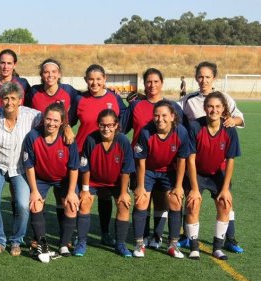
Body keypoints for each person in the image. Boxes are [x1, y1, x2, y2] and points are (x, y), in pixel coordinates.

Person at [178, 61, 245, 253]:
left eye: (208, 77)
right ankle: (188, 238)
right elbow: (172, 114)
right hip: (196, 155)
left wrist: (233, 120)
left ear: (214, 78)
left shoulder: (225, 98)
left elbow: (239, 118)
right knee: (192, 200)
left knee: (225, 200)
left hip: (218, 160)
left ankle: (228, 239)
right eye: (200, 76)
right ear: (196, 77)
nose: (204, 80)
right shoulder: (188, 100)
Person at [121, 68, 183, 249]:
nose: (152, 85)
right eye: (149, 81)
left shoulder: (172, 107)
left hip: (166, 163)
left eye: (156, 81)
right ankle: (143, 236)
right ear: (144, 84)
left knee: (162, 200)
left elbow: (182, 132)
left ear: (162, 83)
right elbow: (121, 129)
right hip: (140, 162)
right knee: (142, 198)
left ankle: (157, 236)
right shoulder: (136, 105)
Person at [69, 64, 126, 247]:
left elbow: (125, 120)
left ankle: (105, 233)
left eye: (98, 79)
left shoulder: (114, 98)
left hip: (108, 156)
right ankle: (80, 235)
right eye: (91, 79)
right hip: (83, 155)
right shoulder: (80, 100)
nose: (94, 83)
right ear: (86, 80)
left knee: (104, 195)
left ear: (105, 79)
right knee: (83, 196)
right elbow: (68, 122)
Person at [0, 82, 41, 256]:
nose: (9, 102)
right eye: (6, 98)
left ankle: (16, 240)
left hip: (20, 167)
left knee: (23, 205)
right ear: (1, 100)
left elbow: (54, 118)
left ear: (20, 100)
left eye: (13, 98)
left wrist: (67, 127)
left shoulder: (33, 116)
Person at [24, 58, 78, 244]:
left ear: (59, 74)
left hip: (60, 142)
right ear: (41, 75)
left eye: (54, 72)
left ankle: (66, 238)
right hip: (40, 143)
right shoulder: (33, 92)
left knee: (65, 199)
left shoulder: (69, 91)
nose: (50, 75)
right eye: (46, 72)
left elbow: (75, 113)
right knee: (36, 199)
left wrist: (67, 126)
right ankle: (37, 237)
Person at [185, 92, 241, 260]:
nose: (214, 110)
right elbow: (190, 159)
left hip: (218, 174)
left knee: (225, 204)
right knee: (193, 204)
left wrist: (225, 189)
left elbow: (230, 160)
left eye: (218, 106)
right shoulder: (195, 126)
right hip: (197, 173)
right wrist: (194, 188)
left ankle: (217, 247)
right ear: (204, 108)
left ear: (223, 109)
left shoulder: (229, 130)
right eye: (210, 106)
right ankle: (194, 247)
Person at [132, 100, 190, 259]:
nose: (160, 119)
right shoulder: (146, 132)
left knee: (176, 200)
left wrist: (178, 186)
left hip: (169, 171)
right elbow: (141, 162)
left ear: (172, 116)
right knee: (141, 200)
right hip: (148, 170)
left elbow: (182, 161)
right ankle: (139, 243)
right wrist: (141, 186)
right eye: (156, 115)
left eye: (164, 115)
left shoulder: (181, 132)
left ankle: (172, 244)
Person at [23, 103, 79, 260]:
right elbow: (29, 165)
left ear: (62, 122)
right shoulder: (32, 136)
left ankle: (63, 244)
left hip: (64, 179)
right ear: (43, 119)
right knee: (35, 204)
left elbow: (74, 167)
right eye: (48, 119)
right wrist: (34, 191)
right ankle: (42, 242)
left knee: (71, 205)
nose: (51, 123)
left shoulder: (68, 139)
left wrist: (71, 192)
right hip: (41, 178)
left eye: (55, 120)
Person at [78, 109, 135, 257]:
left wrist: (123, 193)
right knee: (84, 202)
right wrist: (85, 190)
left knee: (123, 204)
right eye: (102, 125)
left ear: (116, 125)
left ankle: (120, 244)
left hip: (116, 182)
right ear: (98, 125)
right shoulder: (91, 139)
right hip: (93, 181)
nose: (106, 128)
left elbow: (126, 171)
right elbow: (85, 168)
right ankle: (81, 242)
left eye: (110, 125)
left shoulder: (122, 141)